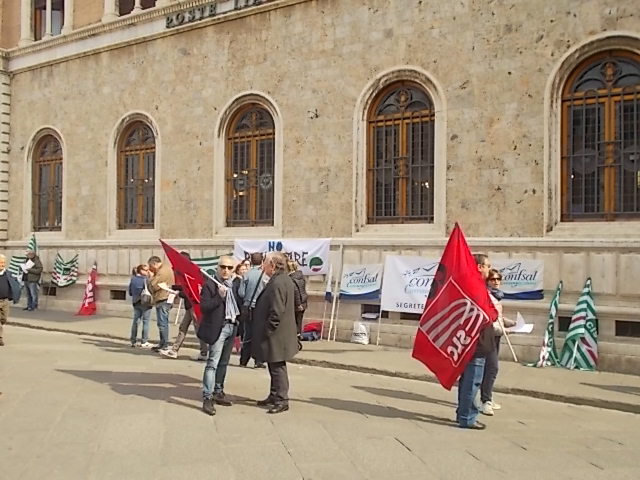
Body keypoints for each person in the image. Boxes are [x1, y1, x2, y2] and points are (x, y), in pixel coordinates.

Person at [252, 252, 299, 414]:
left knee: (278, 366)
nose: (262, 265)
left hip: (277, 334)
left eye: (265, 262)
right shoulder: (282, 279)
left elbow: (277, 311)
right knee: (273, 365)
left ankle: (281, 399)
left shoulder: (279, 282)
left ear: (272, 265)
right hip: (279, 333)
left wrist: (268, 330)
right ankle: (274, 395)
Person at [455, 253, 496, 430]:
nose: (489, 269)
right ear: (479, 267)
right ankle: (467, 417)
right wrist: (495, 313)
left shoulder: (469, 285)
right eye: (487, 266)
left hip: (470, 341)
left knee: (467, 381)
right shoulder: (475, 287)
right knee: (472, 381)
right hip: (476, 343)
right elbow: (487, 314)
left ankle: (462, 413)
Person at [198, 256, 240, 416]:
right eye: (223, 267)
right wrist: (219, 297)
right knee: (212, 363)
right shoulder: (210, 285)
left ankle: (218, 391)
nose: (226, 270)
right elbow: (204, 307)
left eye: (230, 268)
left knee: (223, 363)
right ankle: (207, 397)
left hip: (231, 325)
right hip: (218, 328)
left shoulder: (234, 285)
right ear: (218, 267)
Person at [160, 251, 209, 360]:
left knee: (198, 328)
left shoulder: (191, 272)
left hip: (194, 305)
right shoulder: (188, 272)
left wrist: (177, 292)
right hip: (189, 305)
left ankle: (204, 352)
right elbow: (185, 288)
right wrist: (174, 288)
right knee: (183, 327)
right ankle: (174, 350)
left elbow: (190, 291)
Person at [480, 269, 516, 416]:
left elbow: (498, 317)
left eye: (498, 279)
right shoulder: (486, 296)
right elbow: (489, 320)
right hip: (489, 335)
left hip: (497, 336)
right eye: (492, 279)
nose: (496, 282)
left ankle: (486, 396)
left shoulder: (497, 296)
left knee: (488, 368)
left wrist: (510, 323)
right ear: (487, 281)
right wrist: (505, 331)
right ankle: (486, 401)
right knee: (492, 368)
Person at [238, 252, 266, 368]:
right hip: (260, 308)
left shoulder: (247, 275)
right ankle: (258, 361)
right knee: (259, 334)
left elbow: (241, 293)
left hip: (247, 308)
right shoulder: (264, 276)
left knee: (247, 334)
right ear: (262, 261)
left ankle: (243, 360)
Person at [147, 255, 175, 351]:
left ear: (154, 264)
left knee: (162, 322)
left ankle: (164, 344)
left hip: (163, 298)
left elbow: (153, 285)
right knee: (162, 322)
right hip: (165, 298)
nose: (151, 269)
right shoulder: (166, 269)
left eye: (151, 266)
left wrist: (151, 278)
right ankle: (162, 343)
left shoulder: (162, 272)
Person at [127, 264, 153, 348]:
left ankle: (133, 341)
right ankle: (144, 341)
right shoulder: (146, 280)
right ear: (141, 270)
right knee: (145, 321)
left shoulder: (133, 279)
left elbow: (130, 292)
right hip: (145, 302)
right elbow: (151, 290)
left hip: (135, 302)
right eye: (146, 270)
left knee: (136, 321)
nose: (147, 272)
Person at [0, 254, 22, 346]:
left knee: (4, 318)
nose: (2, 265)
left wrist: (14, 295)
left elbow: (14, 284)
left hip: (5, 301)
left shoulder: (8, 273)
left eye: (3, 263)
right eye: (0, 263)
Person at [287, 260, 308, 335]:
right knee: (299, 322)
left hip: (297, 304)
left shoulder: (291, 278)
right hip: (304, 302)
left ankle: (296, 339)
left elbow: (296, 292)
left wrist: (298, 304)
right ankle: (298, 336)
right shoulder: (301, 276)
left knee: (294, 323)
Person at [232, 262, 248, 354]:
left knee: (243, 327)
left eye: (245, 269)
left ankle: (240, 345)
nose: (244, 271)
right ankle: (236, 345)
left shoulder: (245, 280)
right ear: (238, 271)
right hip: (239, 306)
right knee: (239, 327)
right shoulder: (236, 281)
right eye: (242, 269)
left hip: (244, 307)